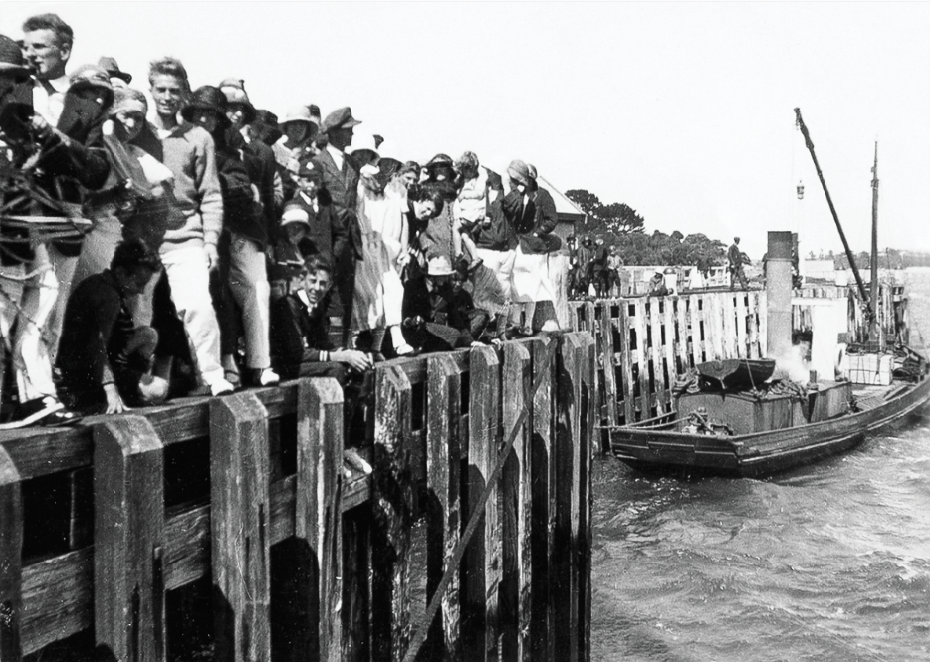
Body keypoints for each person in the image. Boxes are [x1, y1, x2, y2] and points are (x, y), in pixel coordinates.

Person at [145, 57, 233, 396]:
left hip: (186, 238)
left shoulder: (198, 137)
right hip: (143, 239)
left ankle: (211, 375)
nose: (167, 96)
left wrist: (210, 242)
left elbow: (210, 194)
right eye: (161, 89)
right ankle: (138, 382)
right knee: (141, 315)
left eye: (175, 90)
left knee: (198, 304)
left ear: (185, 94)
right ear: (151, 89)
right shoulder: (137, 130)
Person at [184, 85, 278, 388]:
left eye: (213, 116)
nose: (206, 121)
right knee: (209, 291)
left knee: (254, 286)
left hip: (233, 228)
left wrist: (215, 184)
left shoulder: (231, 144)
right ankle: (216, 363)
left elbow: (243, 187)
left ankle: (258, 364)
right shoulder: (178, 138)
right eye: (201, 114)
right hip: (189, 229)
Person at [57, 239, 169, 414]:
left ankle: (128, 388)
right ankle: (107, 398)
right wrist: (110, 389)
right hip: (86, 375)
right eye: (139, 283)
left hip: (101, 366)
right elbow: (97, 347)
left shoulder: (103, 284)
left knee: (149, 334)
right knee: (159, 388)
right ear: (120, 272)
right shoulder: (108, 298)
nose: (140, 291)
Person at [312, 107, 361, 344]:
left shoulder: (352, 163)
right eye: (347, 131)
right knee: (325, 295)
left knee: (345, 296)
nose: (351, 136)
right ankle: (326, 349)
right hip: (327, 237)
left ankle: (344, 349)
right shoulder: (318, 162)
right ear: (333, 133)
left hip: (349, 240)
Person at [501, 159, 561, 335]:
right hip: (518, 244)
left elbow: (552, 219)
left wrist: (539, 232)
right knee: (516, 285)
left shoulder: (543, 195)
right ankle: (514, 323)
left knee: (533, 285)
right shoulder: (517, 194)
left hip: (534, 247)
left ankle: (527, 324)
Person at [401, 255, 489, 353]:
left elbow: (455, 317)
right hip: (414, 330)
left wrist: (471, 341)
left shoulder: (446, 288)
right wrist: (413, 320)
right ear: (434, 276)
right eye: (444, 275)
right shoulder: (412, 286)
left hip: (432, 330)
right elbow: (406, 315)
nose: (446, 278)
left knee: (454, 334)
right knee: (451, 335)